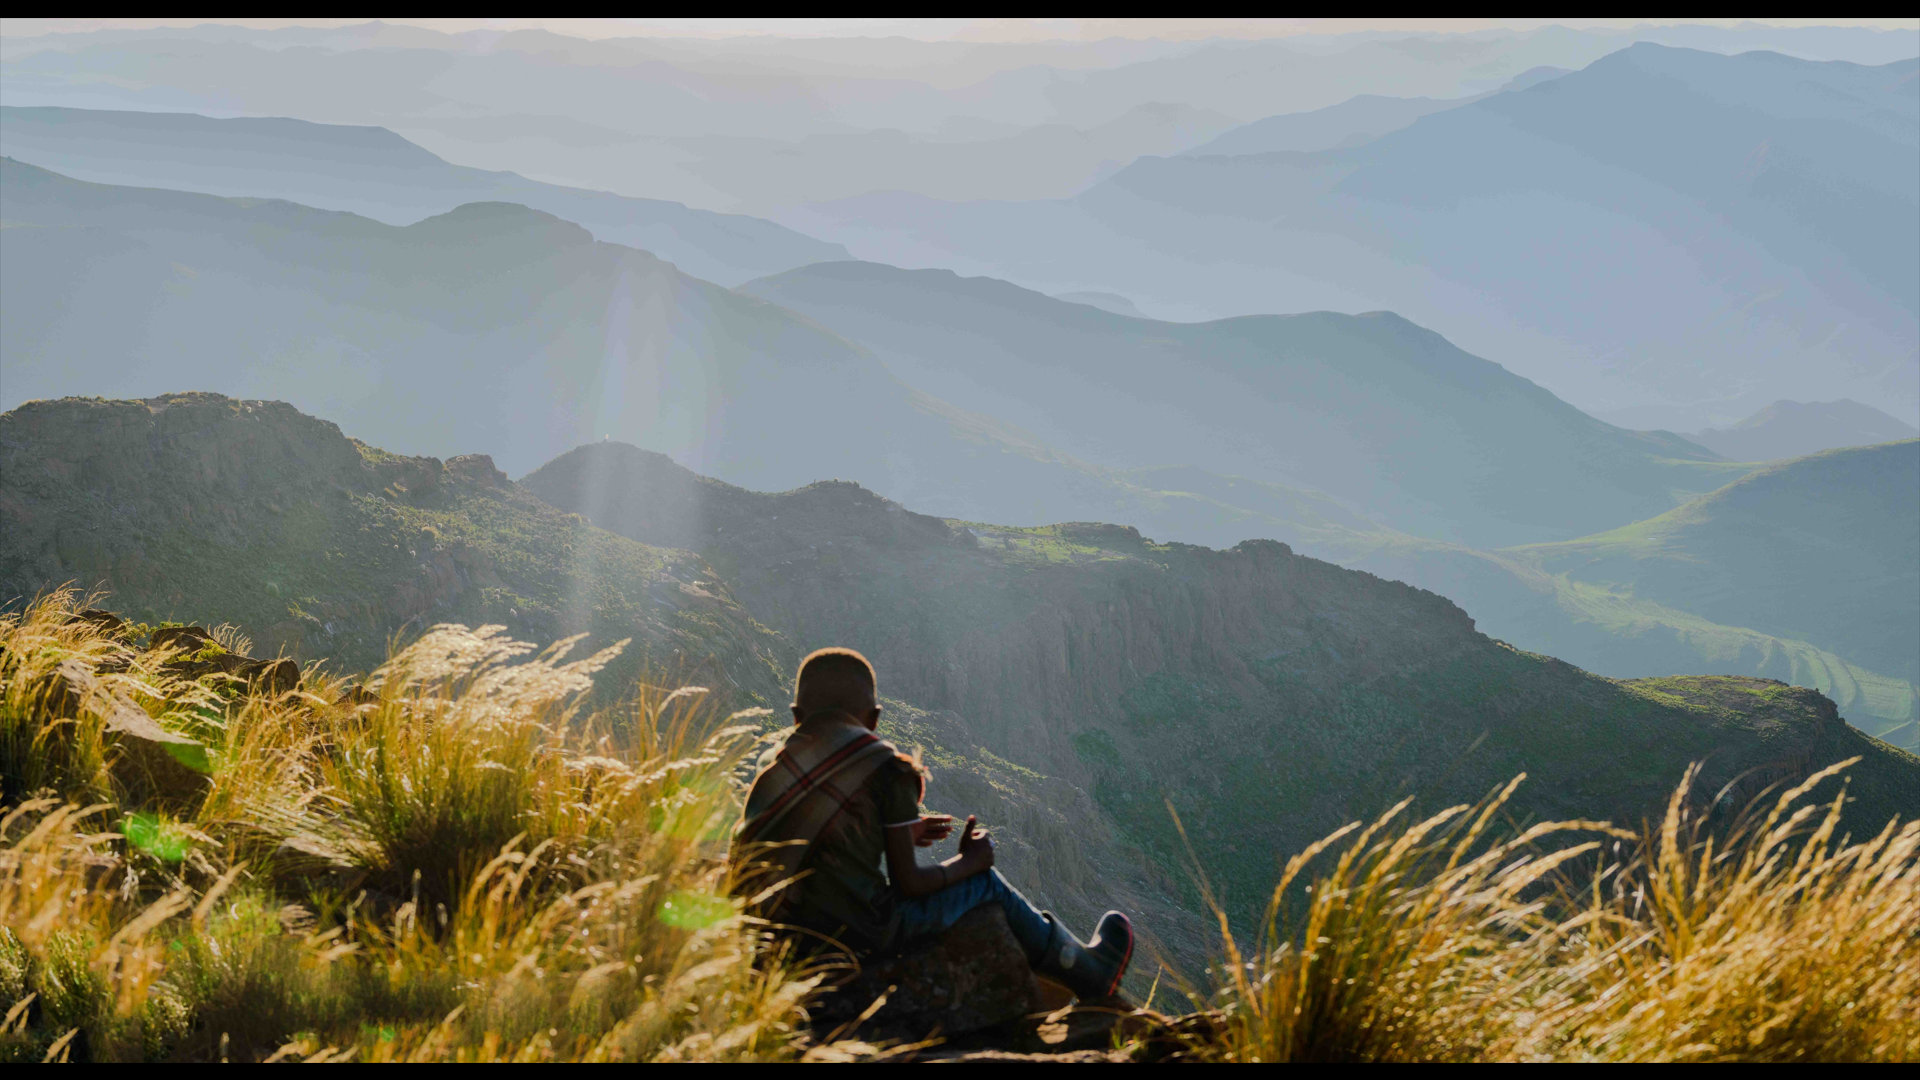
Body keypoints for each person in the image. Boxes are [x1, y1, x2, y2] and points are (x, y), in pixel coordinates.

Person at [730, 647, 1133, 1001]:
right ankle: (1083, 970)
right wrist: (970, 863)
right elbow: (909, 885)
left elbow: (813, 842)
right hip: (861, 936)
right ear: (873, 718)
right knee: (985, 885)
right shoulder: (886, 768)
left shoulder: (773, 770)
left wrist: (898, 833)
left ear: (797, 715)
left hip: (784, 946)